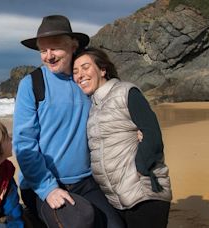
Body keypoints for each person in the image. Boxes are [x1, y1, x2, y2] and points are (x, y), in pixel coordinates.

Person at [13, 15, 124, 228]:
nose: (49, 56)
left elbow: (112, 110)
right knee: (80, 222)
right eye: (43, 51)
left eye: (55, 48)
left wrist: (133, 130)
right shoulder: (32, 84)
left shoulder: (85, 80)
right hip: (41, 185)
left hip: (87, 181)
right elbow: (23, 144)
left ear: (73, 46)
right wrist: (48, 189)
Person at [73, 47, 172, 228]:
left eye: (85, 67)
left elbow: (152, 133)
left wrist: (141, 167)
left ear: (103, 70)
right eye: (75, 71)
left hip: (143, 194)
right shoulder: (93, 107)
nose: (80, 75)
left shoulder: (126, 92)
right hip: (116, 199)